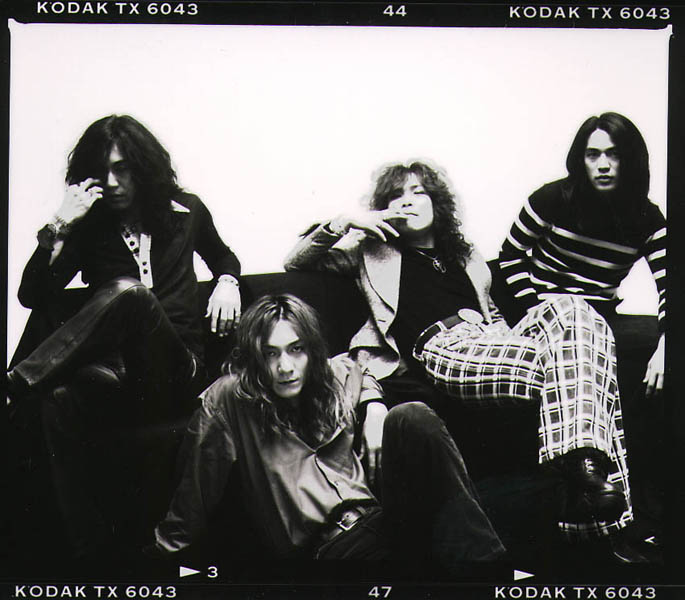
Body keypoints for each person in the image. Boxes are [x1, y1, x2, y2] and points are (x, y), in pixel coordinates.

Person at [284, 160, 639, 561]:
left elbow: (493, 313)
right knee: (582, 370)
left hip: (494, 340)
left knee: (574, 312)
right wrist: (347, 223)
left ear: (436, 202)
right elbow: (297, 261)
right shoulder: (370, 252)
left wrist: (513, 333)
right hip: (443, 346)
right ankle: (606, 525)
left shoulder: (467, 254)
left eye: (418, 192)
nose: (408, 201)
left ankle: (587, 472)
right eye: (396, 195)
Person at [7, 114, 242, 561]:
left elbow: (223, 256)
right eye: (103, 172)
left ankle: (14, 384)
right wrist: (60, 223)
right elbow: (31, 295)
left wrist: (227, 281)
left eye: (123, 169)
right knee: (57, 399)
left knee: (130, 294)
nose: (113, 182)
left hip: (177, 371)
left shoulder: (187, 211)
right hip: (120, 380)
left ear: (144, 167)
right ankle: (90, 550)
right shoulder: (89, 229)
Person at [151, 294, 506, 569]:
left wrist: (374, 406)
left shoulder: (332, 376)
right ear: (255, 358)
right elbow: (196, 488)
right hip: (332, 551)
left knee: (411, 416)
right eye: (270, 354)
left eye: (296, 350)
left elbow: (359, 369)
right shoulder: (232, 397)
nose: (285, 367)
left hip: (386, 519)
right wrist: (159, 559)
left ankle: (491, 573)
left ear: (311, 351)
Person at [498, 112, 666, 546]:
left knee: (646, 360)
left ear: (632, 160)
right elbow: (510, 258)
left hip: (596, 316)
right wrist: (539, 308)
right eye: (593, 155)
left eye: (614, 154)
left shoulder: (646, 218)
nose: (603, 164)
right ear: (580, 159)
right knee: (580, 326)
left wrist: (667, 344)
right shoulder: (551, 199)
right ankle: (587, 476)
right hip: (536, 309)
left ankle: (633, 514)